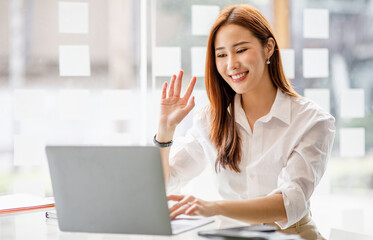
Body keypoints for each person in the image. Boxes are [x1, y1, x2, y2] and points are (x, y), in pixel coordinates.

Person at [154, 4, 335, 240]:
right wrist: (165, 131)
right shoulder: (211, 119)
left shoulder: (312, 121)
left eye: (240, 50)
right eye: (221, 55)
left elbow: (291, 204)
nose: (231, 64)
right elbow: (166, 184)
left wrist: (214, 208)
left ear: (268, 47)